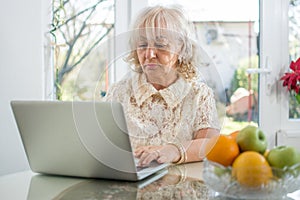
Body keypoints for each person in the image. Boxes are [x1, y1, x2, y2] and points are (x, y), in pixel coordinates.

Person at [103, 4, 220, 167]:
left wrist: (173, 150)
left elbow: (210, 144)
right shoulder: (119, 92)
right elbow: (102, 143)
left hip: (182, 187)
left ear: (181, 47)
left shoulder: (199, 94)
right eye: (142, 45)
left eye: (160, 44)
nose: (150, 54)